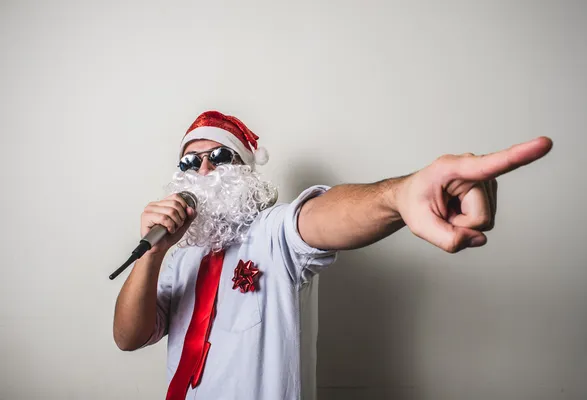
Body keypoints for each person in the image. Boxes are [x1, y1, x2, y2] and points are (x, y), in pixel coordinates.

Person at [113, 110, 553, 400]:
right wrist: (154, 252)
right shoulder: (175, 259)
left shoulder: (272, 234)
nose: (204, 170)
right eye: (191, 162)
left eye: (219, 156)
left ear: (245, 171)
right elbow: (129, 337)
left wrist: (399, 194)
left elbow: (320, 218)